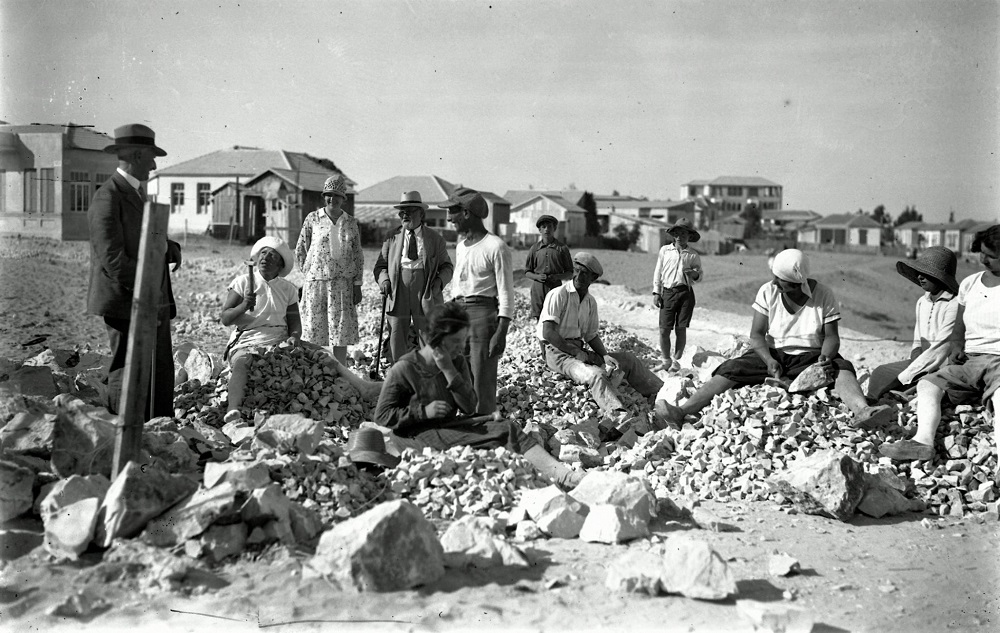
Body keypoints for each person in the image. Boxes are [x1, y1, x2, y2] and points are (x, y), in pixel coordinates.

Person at [658, 249, 894, 429]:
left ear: (796, 283)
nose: (774, 283)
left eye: (780, 280)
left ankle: (862, 411)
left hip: (810, 356)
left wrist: (826, 356)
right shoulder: (767, 291)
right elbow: (757, 335)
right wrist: (768, 360)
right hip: (773, 353)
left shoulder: (823, 294)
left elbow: (832, 337)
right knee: (732, 368)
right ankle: (682, 411)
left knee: (843, 367)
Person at [374, 302, 584, 488]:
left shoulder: (455, 362)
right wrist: (423, 412)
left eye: (463, 342)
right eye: (456, 342)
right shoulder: (404, 368)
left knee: (506, 427)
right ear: (438, 338)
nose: (461, 348)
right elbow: (382, 416)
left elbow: (468, 406)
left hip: (447, 427)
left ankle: (563, 475)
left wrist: (449, 372)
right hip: (414, 436)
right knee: (488, 440)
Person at [880, 225, 1000, 477]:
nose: (984, 259)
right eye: (983, 253)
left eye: (993, 255)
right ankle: (923, 440)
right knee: (927, 385)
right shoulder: (970, 284)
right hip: (971, 359)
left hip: (999, 361)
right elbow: (959, 326)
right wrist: (957, 345)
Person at [87, 123, 181, 420]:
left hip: (148, 300)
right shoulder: (108, 197)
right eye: (152, 157)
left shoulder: (136, 194)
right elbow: (113, 259)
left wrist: (169, 247)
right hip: (127, 301)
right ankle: (124, 432)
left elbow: (145, 237)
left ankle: (158, 434)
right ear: (139, 155)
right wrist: (147, 292)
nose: (154, 165)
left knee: (158, 369)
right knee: (127, 368)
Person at [539, 252, 665, 436]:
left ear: (594, 278)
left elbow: (591, 335)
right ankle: (619, 417)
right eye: (577, 271)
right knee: (596, 374)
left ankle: (663, 393)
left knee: (627, 360)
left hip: (577, 348)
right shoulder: (559, 294)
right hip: (556, 351)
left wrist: (605, 356)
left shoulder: (590, 302)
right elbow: (548, 332)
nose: (579, 276)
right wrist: (575, 352)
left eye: (585, 273)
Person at [440, 187, 515, 415]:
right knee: (457, 371)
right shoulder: (461, 247)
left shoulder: (496, 247)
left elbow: (506, 293)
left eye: (453, 211)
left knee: (481, 374)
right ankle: (465, 421)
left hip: (483, 314)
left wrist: (500, 333)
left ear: (466, 213)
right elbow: (459, 284)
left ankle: (485, 425)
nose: (448, 218)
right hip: (457, 314)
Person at [219, 237, 301, 420]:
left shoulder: (288, 289)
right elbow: (225, 318)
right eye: (263, 253)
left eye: (273, 256)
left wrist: (295, 336)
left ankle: (362, 386)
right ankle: (233, 408)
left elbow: (295, 322)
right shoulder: (242, 282)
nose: (266, 258)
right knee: (241, 364)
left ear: (281, 265)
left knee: (323, 355)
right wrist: (243, 306)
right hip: (248, 339)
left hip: (279, 339)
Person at [866, 246, 961, 402]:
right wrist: (915, 356)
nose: (920, 277)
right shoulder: (922, 302)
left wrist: (906, 374)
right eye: (919, 273)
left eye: (926, 274)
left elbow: (941, 348)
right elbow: (918, 338)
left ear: (940, 277)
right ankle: (872, 404)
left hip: (943, 363)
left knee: (923, 384)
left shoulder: (954, 304)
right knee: (880, 373)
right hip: (921, 361)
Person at [373, 191, 453, 364]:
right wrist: (384, 281)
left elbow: (447, 266)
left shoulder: (435, 238)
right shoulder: (391, 237)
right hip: (397, 289)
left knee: (427, 334)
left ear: (421, 214)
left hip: (424, 291)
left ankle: (428, 376)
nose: (404, 215)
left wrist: (438, 284)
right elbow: (380, 266)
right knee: (396, 333)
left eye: (409, 210)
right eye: (402, 211)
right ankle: (400, 374)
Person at [295, 174, 365, 365]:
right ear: (323, 196)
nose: (332, 199)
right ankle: (314, 368)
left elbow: (357, 255)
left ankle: (341, 370)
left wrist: (357, 284)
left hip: (343, 283)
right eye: (328, 195)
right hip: (316, 283)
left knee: (340, 329)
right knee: (314, 328)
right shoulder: (312, 219)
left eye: (336, 195)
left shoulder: (350, 222)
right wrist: (310, 272)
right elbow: (301, 248)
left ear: (344, 198)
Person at [652, 218, 703, 372]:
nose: (680, 237)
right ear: (673, 235)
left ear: (689, 236)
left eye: (684, 233)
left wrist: (693, 274)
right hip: (668, 292)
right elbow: (658, 271)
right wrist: (656, 292)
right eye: (677, 233)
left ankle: (676, 361)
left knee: (681, 329)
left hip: (685, 294)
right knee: (664, 329)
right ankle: (666, 360)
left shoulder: (693, 255)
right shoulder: (665, 251)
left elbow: (699, 276)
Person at [524, 214, 574, 359]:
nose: (547, 230)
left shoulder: (561, 249)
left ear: (555, 229)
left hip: (555, 289)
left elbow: (570, 272)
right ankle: (544, 353)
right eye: (543, 227)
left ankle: (556, 353)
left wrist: (556, 277)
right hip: (538, 289)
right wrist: (537, 277)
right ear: (539, 230)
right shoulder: (534, 249)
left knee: (554, 320)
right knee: (539, 320)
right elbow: (527, 272)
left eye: (550, 227)